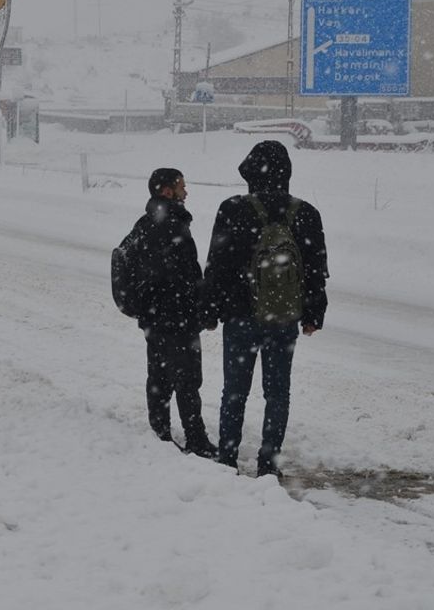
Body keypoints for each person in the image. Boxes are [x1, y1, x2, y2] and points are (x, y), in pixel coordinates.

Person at [201, 141, 328, 478]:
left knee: (235, 391)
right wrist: (314, 314)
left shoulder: (232, 209)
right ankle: (268, 462)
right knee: (277, 393)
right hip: (283, 316)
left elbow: (217, 265)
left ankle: (227, 458)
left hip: (240, 316)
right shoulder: (305, 212)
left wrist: (210, 311)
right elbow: (316, 268)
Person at [125, 168, 218, 460]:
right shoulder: (173, 226)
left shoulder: (144, 223)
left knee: (159, 377)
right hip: (177, 317)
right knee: (188, 380)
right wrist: (201, 309)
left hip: (154, 318)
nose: (186, 192)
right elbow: (188, 276)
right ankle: (196, 439)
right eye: (181, 187)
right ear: (167, 191)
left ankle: (160, 433)